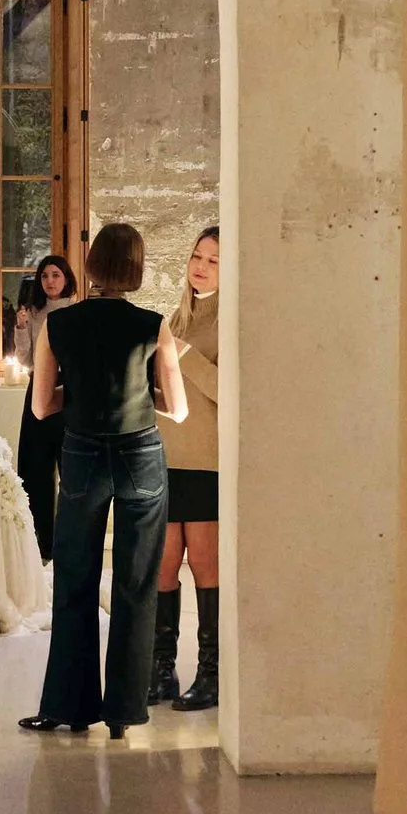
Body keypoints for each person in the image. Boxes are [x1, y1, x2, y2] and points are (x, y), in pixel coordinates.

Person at [20, 220, 185, 742]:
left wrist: (84, 397)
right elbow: (175, 409)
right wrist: (140, 398)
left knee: (75, 581)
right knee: (137, 584)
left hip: (84, 456)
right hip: (140, 456)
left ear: (90, 268)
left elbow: (43, 406)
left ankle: (68, 707)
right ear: (136, 268)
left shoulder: (60, 325)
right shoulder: (153, 325)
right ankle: (124, 713)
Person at [157, 223, 221, 710]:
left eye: (213, 260)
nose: (200, 266)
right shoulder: (176, 317)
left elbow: (230, 391)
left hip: (206, 461)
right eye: (197, 256)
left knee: (203, 564)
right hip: (165, 458)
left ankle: (211, 675)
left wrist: (187, 357)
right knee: (162, 564)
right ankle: (161, 672)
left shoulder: (230, 319)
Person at [9, 251, 75, 560]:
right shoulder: (33, 313)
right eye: (45, 276)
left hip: (70, 387)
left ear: (66, 279)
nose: (50, 281)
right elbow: (24, 360)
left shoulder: (78, 311)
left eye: (56, 275)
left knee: (71, 466)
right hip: (38, 385)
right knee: (36, 467)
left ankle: (68, 543)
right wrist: (21, 328)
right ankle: (41, 544)